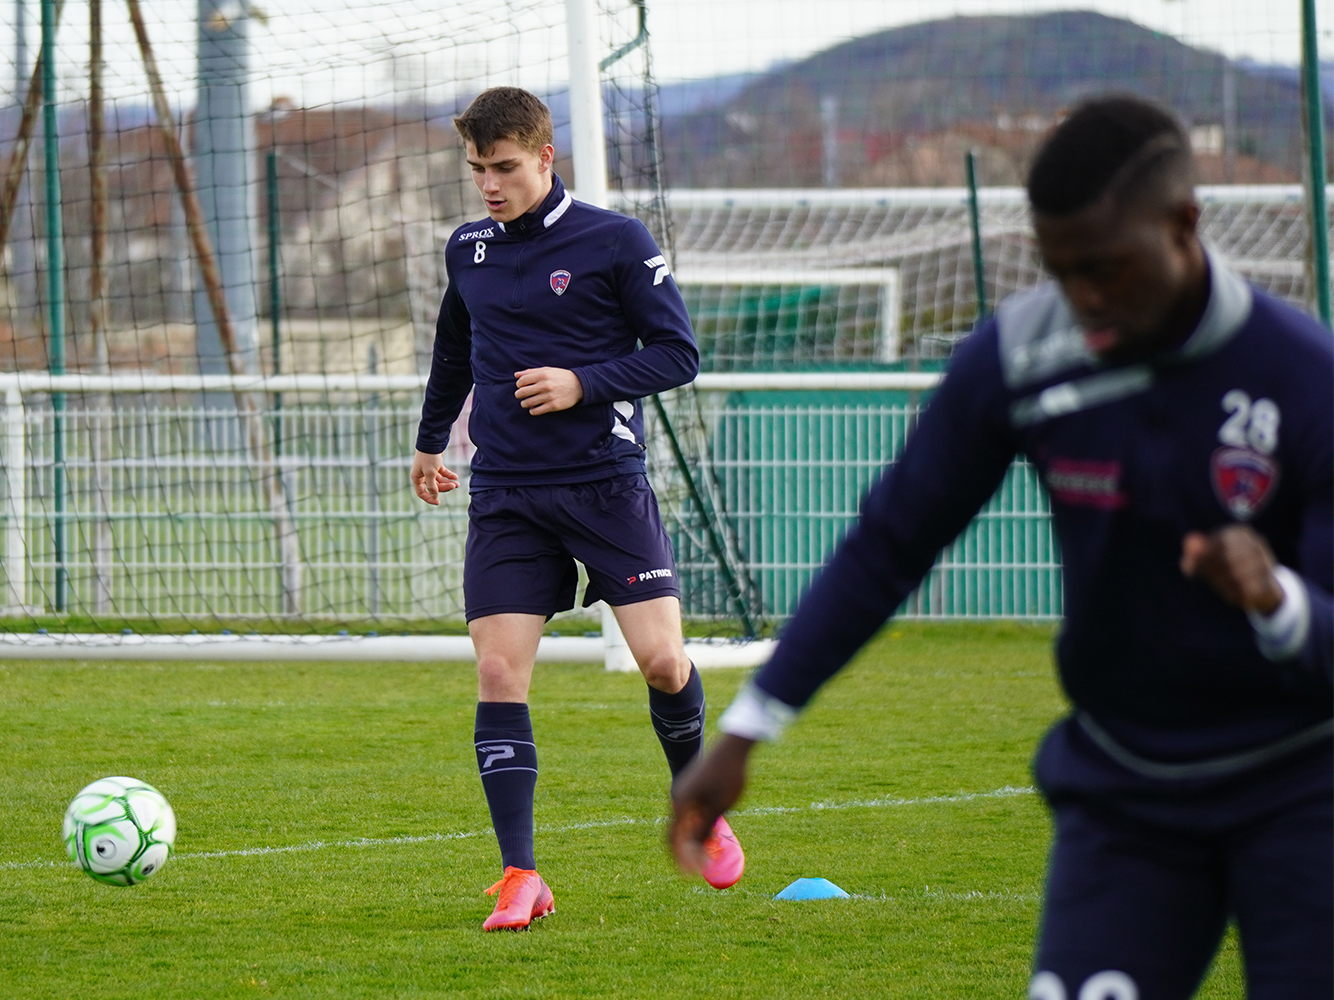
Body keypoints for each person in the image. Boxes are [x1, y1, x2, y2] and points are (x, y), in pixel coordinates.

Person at [670, 95, 1332, 999]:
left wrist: (1276, 601)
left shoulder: (1303, 377)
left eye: (1106, 267)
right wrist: (750, 727)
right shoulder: (1022, 354)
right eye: (1061, 271)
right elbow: (889, 544)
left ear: (1184, 224)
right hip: (1126, 791)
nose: (1085, 300)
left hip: (1301, 786)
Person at [412, 86, 745, 932]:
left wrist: (582, 384)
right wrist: (428, 442)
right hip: (508, 494)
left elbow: (678, 353)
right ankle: (520, 874)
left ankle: (698, 807)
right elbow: (454, 348)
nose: (489, 185)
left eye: (504, 167)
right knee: (498, 673)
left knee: (662, 662)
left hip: (605, 484)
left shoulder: (615, 240)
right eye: (477, 169)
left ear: (545, 156)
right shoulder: (468, 249)